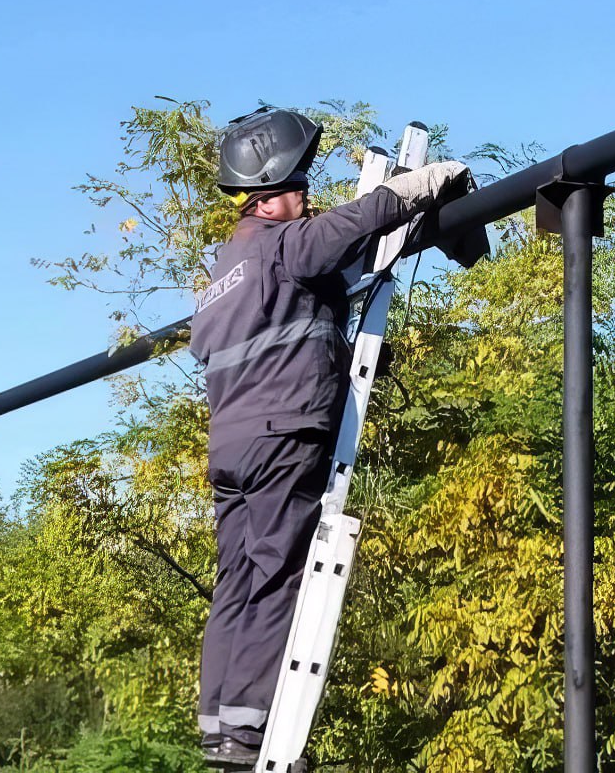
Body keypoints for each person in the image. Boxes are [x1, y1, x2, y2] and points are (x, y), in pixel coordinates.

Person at [190, 107, 470, 768]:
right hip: (283, 436)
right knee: (278, 577)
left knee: (236, 583)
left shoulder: (222, 280)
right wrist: (416, 188)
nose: (308, 194)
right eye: (298, 186)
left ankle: (221, 730)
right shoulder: (280, 245)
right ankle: (254, 730)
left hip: (231, 450)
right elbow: (340, 231)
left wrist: (344, 340)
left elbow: (283, 328)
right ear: (265, 198)